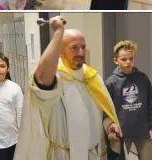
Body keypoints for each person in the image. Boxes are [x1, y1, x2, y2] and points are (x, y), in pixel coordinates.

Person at [14, 16, 122, 160]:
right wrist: (58, 33)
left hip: (92, 155)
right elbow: (41, 77)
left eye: (83, 47)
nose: (81, 53)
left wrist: (109, 125)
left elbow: (101, 113)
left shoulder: (92, 77)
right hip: (63, 155)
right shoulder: (55, 78)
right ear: (60, 51)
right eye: (74, 48)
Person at [105, 40, 152, 160]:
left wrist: (151, 127)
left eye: (131, 58)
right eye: (124, 59)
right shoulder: (110, 83)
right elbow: (106, 111)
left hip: (143, 133)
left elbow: (150, 104)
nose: (128, 62)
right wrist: (109, 131)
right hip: (121, 134)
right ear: (116, 60)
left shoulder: (143, 79)